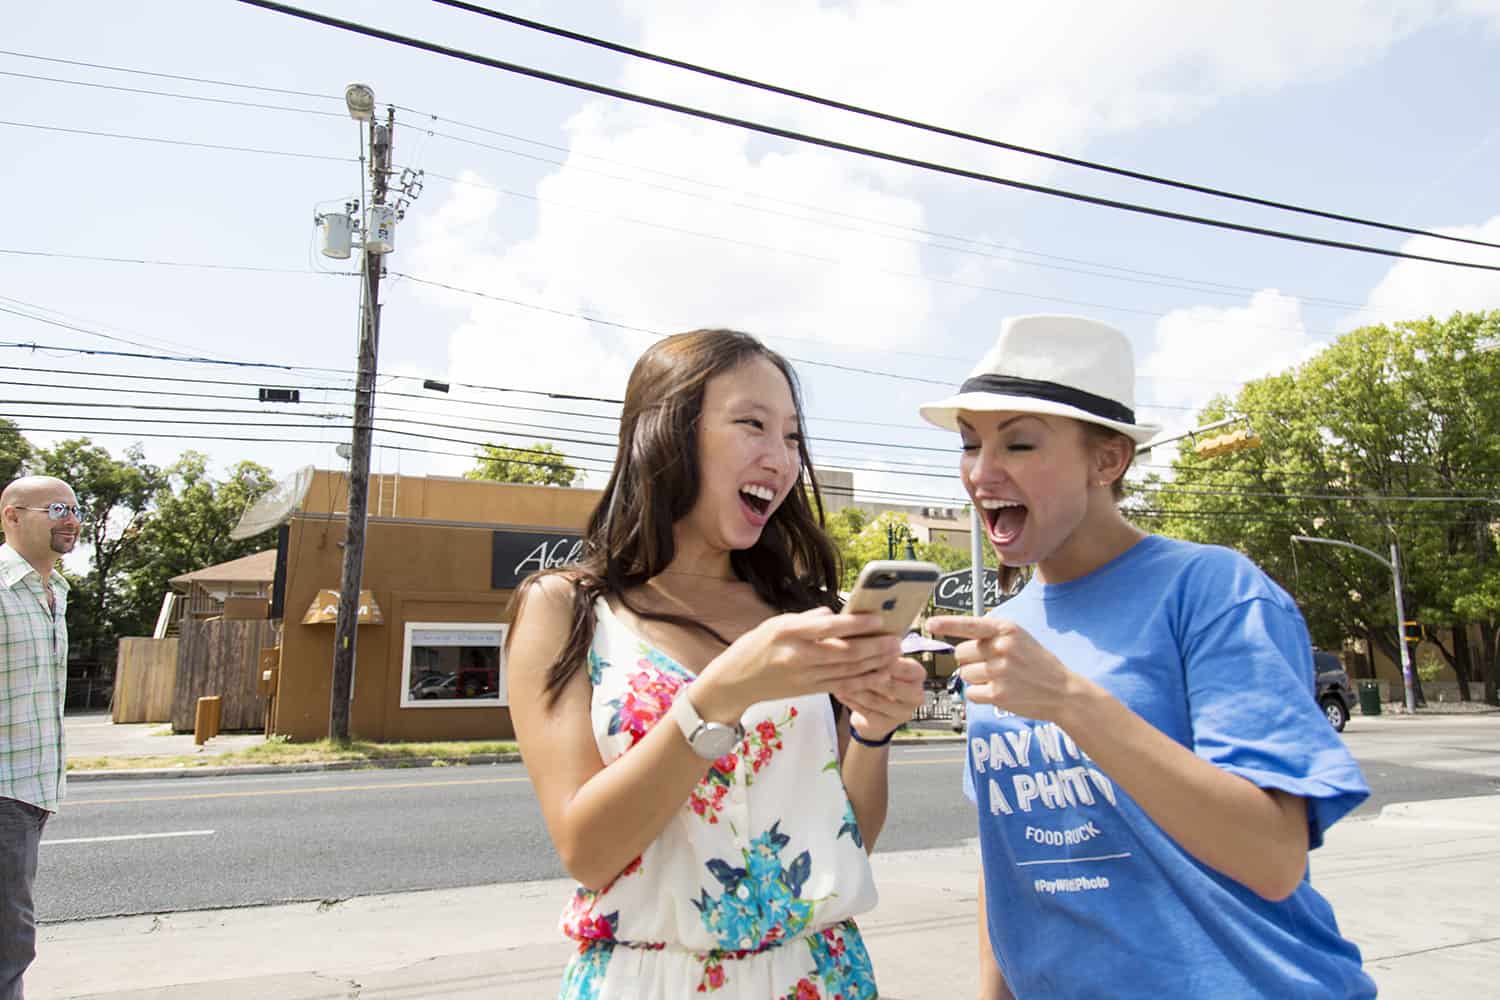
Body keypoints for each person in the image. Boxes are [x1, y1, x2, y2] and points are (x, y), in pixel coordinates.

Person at [920, 315, 1375, 999]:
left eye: (1017, 443)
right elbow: (1009, 857)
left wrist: (1072, 702)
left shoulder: (1215, 592)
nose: (983, 471)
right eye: (969, 444)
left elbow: (1274, 859)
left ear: (1108, 461)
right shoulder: (1003, 630)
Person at [507, 329, 926, 999]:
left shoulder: (805, 611)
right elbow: (587, 851)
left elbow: (845, 842)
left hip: (820, 973)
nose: (782, 459)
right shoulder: (566, 610)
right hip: (650, 978)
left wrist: (874, 730)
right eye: (752, 425)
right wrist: (717, 698)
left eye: (792, 437)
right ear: (670, 434)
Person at [1, 476, 82, 1000]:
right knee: (9, 942)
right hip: (2, 790)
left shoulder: (55, 594)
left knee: (11, 939)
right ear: (12, 516)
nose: (71, 519)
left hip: (32, 792)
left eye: (76, 508)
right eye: (56, 508)